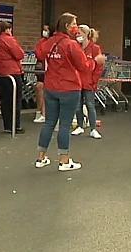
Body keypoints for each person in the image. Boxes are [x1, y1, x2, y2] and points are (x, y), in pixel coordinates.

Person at [36, 13, 105, 171]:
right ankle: (64, 160)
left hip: (50, 86)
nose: (76, 26)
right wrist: (95, 61)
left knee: (49, 123)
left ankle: (41, 157)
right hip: (69, 87)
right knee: (65, 125)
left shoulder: (50, 42)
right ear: (67, 26)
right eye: (74, 23)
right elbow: (84, 66)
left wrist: (45, 38)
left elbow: (39, 53)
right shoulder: (71, 45)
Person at [0, 21, 25, 135]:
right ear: (7, 30)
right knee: (15, 101)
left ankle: (7, 125)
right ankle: (15, 126)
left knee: (4, 101)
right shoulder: (7, 39)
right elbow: (20, 54)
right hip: (11, 73)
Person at [72, 25, 104, 139]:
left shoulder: (95, 48)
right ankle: (80, 126)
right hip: (77, 81)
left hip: (89, 82)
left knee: (90, 105)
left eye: (79, 33)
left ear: (85, 34)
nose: (77, 36)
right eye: (76, 34)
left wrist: (94, 80)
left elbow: (99, 66)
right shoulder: (76, 47)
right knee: (77, 105)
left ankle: (93, 129)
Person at [33, 25, 50, 123]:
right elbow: (39, 54)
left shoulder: (52, 41)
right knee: (39, 87)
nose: (44, 32)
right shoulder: (41, 42)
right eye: (43, 30)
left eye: (46, 30)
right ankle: (39, 111)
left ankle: (44, 113)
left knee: (45, 88)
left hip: (50, 69)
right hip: (42, 68)